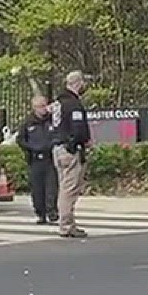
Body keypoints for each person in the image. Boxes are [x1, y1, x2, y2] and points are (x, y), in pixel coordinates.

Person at [51, 70, 91, 239]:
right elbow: (78, 128)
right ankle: (66, 225)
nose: (84, 86)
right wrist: (79, 143)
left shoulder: (58, 103)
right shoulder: (73, 104)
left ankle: (67, 223)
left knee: (64, 187)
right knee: (69, 189)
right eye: (83, 82)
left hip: (57, 148)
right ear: (78, 83)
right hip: (69, 149)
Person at [16, 96, 60, 225]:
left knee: (51, 187)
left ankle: (52, 211)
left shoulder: (52, 121)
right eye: (40, 106)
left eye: (44, 105)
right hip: (35, 159)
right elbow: (21, 140)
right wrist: (32, 148)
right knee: (37, 189)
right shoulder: (28, 123)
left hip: (50, 158)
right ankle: (40, 213)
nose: (43, 109)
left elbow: (59, 134)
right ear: (34, 108)